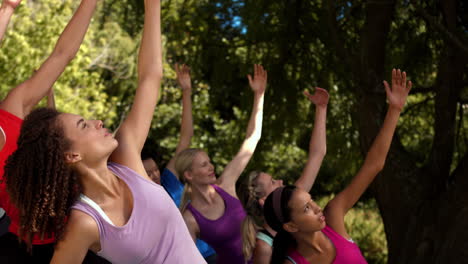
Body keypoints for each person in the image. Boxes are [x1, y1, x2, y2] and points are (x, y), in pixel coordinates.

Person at [4, 0, 205, 263]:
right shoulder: (84, 222)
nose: (97, 122)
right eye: (83, 125)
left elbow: (150, 76)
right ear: (72, 156)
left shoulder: (126, 157)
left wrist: (152, 7)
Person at [263, 69, 411, 264]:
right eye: (307, 208)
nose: (317, 209)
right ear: (290, 226)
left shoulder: (333, 216)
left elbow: (373, 165)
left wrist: (394, 109)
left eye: (312, 200)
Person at [0, 0, 107, 262]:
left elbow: (63, 53)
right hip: (26, 248)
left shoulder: (13, 110)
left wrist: (9, 9)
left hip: (78, 231)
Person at [175, 64, 267, 264]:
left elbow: (252, 139)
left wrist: (259, 95)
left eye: (210, 162)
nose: (211, 167)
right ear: (189, 175)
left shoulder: (226, 184)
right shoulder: (189, 219)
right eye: (204, 165)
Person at [242, 87, 328, 263]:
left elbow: (317, 153)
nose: (281, 180)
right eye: (273, 182)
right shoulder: (264, 246)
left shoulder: (297, 201)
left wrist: (321, 109)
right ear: (264, 201)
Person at [142, 63, 217, 263]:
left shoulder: (169, 179)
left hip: (212, 252)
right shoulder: (139, 201)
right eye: (148, 173)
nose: (155, 175)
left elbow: (186, 137)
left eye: (155, 169)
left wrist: (186, 91)